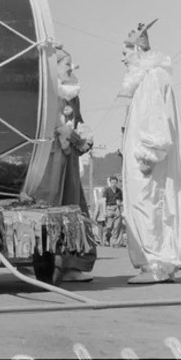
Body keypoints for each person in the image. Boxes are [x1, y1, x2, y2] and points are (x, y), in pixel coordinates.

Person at [118, 19, 181, 284]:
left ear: (136, 52)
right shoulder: (151, 77)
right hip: (147, 160)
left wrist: (149, 155)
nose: (123, 60)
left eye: (125, 54)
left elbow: (155, 119)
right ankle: (160, 264)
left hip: (148, 163)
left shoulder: (150, 77)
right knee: (153, 207)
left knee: (149, 207)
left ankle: (155, 265)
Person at [33, 45, 96, 281]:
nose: (71, 68)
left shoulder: (73, 93)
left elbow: (77, 123)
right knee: (48, 205)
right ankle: (45, 263)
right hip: (48, 158)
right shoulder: (46, 91)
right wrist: (61, 131)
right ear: (54, 68)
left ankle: (73, 264)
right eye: (66, 64)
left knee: (73, 204)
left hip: (67, 159)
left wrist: (83, 139)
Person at [103, 175, 124, 246]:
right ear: (110, 183)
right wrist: (104, 211)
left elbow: (122, 201)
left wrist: (120, 203)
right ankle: (105, 239)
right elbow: (104, 201)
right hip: (109, 208)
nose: (114, 184)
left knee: (116, 226)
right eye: (112, 182)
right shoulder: (107, 190)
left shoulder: (119, 191)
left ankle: (113, 242)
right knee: (109, 226)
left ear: (117, 183)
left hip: (117, 208)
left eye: (115, 182)